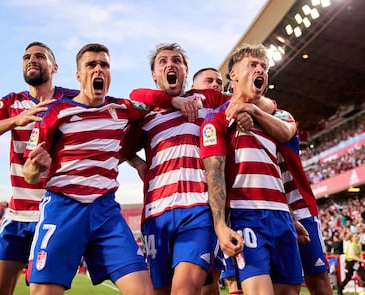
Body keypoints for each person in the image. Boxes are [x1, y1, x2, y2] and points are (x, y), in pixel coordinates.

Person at [124, 43, 296, 295]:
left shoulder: (208, 101)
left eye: (177, 61)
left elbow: (255, 99)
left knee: (189, 289)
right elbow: (121, 141)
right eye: (162, 61)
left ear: (185, 71)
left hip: (197, 211)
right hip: (156, 215)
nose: (170, 65)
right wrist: (139, 163)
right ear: (154, 74)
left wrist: (250, 112)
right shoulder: (146, 115)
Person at [22, 43, 153, 295]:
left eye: (104, 65)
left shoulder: (121, 109)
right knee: (43, 292)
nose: (98, 70)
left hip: (106, 212)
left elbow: (152, 101)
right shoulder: (54, 112)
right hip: (63, 208)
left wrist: (135, 160)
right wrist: (37, 167)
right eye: (91, 65)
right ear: (79, 75)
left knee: (144, 291)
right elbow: (29, 173)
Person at [0, 42, 78, 295]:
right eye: (27, 56)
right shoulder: (12, 102)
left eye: (40, 56)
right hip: (17, 214)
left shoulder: (72, 99)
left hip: (55, 213)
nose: (32, 60)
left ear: (55, 66)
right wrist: (16, 120)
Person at [200, 43, 304, 295]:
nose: (261, 71)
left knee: (290, 290)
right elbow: (214, 174)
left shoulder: (272, 119)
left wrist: (291, 216)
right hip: (247, 214)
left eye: (264, 67)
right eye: (253, 65)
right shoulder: (217, 119)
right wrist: (220, 225)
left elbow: (275, 172)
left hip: (280, 215)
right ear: (233, 74)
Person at [278, 134, 333, 295]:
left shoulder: (280, 116)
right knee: (286, 286)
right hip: (271, 209)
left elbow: (286, 131)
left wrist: (255, 111)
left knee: (318, 282)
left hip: (300, 208)